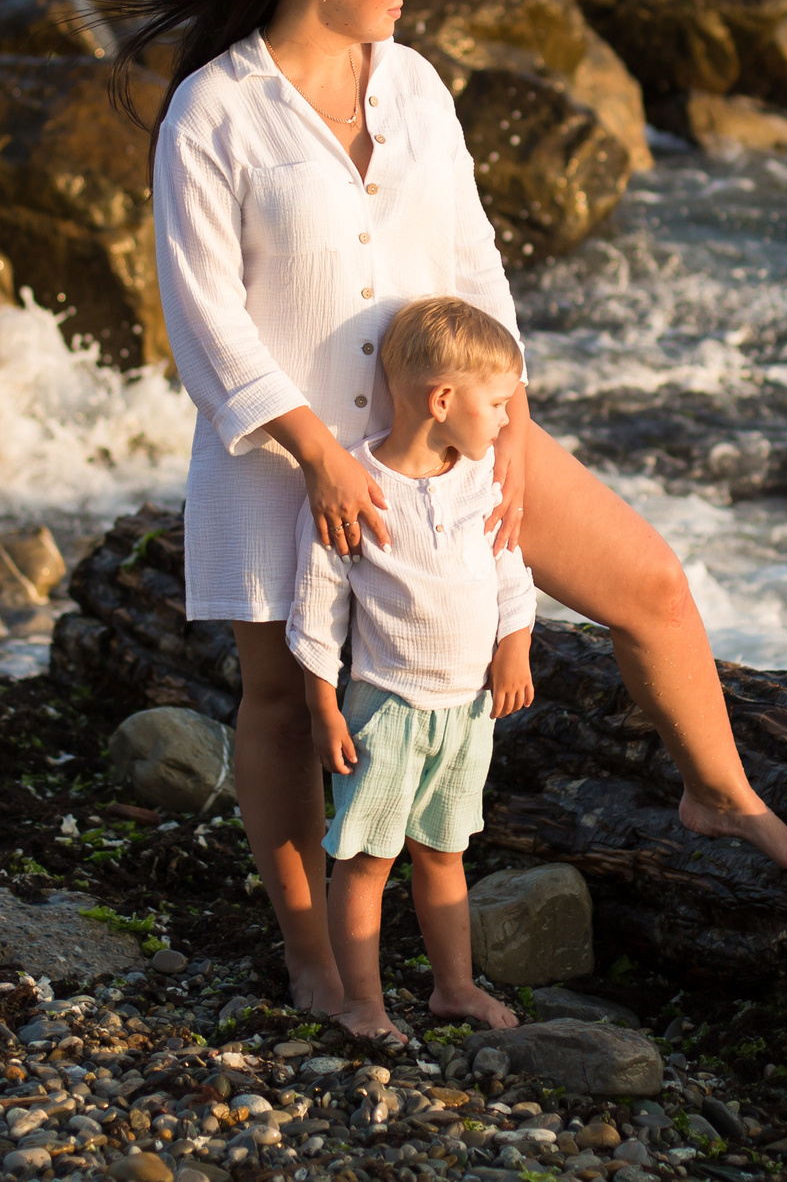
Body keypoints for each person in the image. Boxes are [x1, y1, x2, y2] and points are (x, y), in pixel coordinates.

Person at [115, 0, 787, 1017]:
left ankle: (720, 795)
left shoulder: (414, 87)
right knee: (286, 701)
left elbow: (471, 261)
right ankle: (311, 959)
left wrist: (514, 418)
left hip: (455, 435)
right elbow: (202, 316)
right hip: (283, 458)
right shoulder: (215, 111)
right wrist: (315, 450)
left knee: (647, 580)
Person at [287, 296, 531, 1043]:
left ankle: (452, 987)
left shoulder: (482, 480)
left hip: (466, 713)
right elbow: (319, 609)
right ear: (442, 400)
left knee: (444, 851)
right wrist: (325, 706)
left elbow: (512, 571)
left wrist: (513, 647)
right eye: (497, 404)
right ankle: (362, 1002)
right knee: (365, 860)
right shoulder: (354, 488)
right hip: (387, 709)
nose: (505, 421)